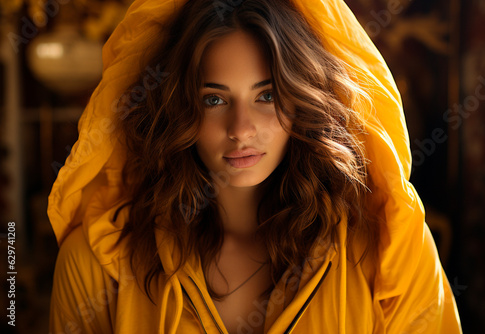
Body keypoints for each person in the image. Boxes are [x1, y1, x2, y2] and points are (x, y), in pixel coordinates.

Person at [48, 0, 462, 333]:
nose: (241, 130)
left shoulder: (388, 255)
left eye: (267, 96)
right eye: (214, 99)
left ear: (303, 102)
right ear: (177, 110)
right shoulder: (97, 263)